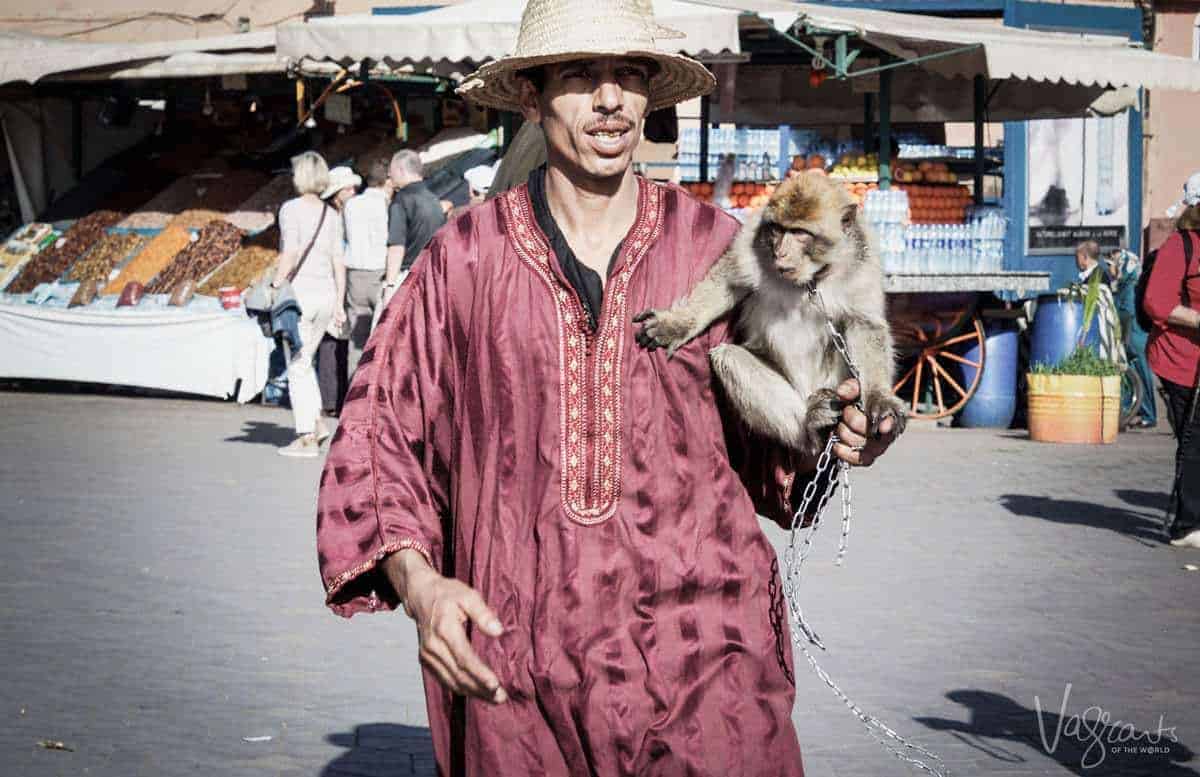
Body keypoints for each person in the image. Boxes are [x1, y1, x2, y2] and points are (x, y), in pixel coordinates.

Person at [315, 1, 898, 774]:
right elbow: (379, 432)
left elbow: (791, 428)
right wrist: (421, 586)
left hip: (705, 660)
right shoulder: (464, 260)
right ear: (532, 94)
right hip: (517, 668)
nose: (610, 100)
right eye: (582, 76)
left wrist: (848, 428)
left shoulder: (716, 250)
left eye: (628, 75)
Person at [273, 151, 347, 458]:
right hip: (327, 296)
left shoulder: (291, 209)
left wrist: (277, 282)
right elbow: (338, 260)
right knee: (307, 361)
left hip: (301, 295)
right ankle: (316, 423)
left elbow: (289, 252)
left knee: (298, 365)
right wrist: (340, 303)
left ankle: (305, 436)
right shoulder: (331, 215)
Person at [1145, 172, 1200, 548]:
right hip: (1181, 361)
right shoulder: (1179, 246)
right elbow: (1157, 303)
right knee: (1194, 441)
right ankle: (1187, 526)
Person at [315, 166, 360, 417]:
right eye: (348, 188)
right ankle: (330, 399)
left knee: (339, 339)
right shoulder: (331, 217)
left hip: (342, 278)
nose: (354, 191)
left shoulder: (347, 212)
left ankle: (337, 397)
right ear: (336, 193)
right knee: (331, 339)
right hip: (332, 280)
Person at [342, 158, 392, 375]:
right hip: (381, 273)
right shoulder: (388, 206)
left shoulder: (351, 204)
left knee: (357, 340)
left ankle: (352, 393)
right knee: (384, 339)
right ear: (387, 181)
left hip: (355, 274)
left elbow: (346, 235)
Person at [382, 149, 446, 300]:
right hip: (432, 275)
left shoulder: (401, 200)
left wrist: (390, 286)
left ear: (401, 170)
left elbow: (396, 246)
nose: (389, 176)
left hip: (407, 276)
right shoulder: (433, 199)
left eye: (391, 171)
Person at [1106, 247, 1156, 428]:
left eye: (1113, 264)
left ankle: (1149, 415)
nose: (1110, 269)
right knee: (1134, 377)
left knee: (1141, 376)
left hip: (1135, 337)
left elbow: (1125, 313)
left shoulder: (1131, 289)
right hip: (1131, 337)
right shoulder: (1125, 286)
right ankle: (1134, 411)